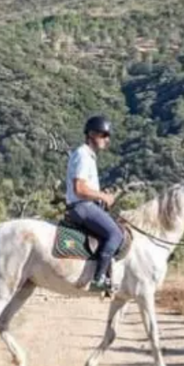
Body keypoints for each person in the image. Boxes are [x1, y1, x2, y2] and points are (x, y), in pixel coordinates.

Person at [66, 115, 122, 293]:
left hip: (86, 205)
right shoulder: (83, 155)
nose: (107, 139)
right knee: (115, 234)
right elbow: (79, 189)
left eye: (108, 135)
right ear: (91, 134)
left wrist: (99, 196)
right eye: (103, 135)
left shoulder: (88, 156)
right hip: (82, 207)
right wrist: (103, 197)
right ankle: (98, 279)